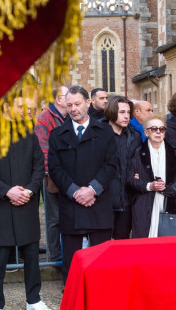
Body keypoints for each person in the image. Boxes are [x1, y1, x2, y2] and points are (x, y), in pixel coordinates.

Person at [0, 95, 53, 310]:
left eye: (30, 108)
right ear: (6, 107)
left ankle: (33, 300)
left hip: (26, 203)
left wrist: (30, 192)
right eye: (21, 107)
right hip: (0, 205)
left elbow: (37, 167)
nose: (27, 111)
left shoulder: (29, 134)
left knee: (32, 256)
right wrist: (6, 191)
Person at [48, 86, 118, 283]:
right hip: (72, 205)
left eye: (77, 104)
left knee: (100, 260)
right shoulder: (57, 134)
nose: (73, 109)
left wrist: (92, 190)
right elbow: (55, 169)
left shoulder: (105, 132)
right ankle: (71, 298)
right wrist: (76, 192)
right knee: (71, 260)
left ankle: (101, 296)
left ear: (87, 103)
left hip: (98, 203)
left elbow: (111, 164)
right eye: (69, 105)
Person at [127, 115, 176, 238]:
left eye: (162, 129)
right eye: (154, 129)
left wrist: (169, 189)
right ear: (146, 132)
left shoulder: (175, 153)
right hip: (145, 206)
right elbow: (130, 179)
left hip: (172, 204)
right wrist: (149, 186)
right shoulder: (138, 153)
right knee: (145, 247)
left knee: (170, 247)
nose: (158, 132)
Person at [34, 85, 68, 262]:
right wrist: (54, 172)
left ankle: (67, 253)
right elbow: (43, 149)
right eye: (67, 95)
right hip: (53, 177)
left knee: (69, 217)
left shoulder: (70, 116)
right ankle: (54, 256)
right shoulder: (45, 118)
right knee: (54, 218)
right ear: (59, 99)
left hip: (70, 177)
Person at [104, 96, 141, 239]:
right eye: (122, 112)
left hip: (127, 199)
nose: (127, 116)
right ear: (113, 112)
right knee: (102, 243)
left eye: (128, 112)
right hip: (104, 199)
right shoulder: (99, 134)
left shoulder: (134, 136)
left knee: (122, 240)